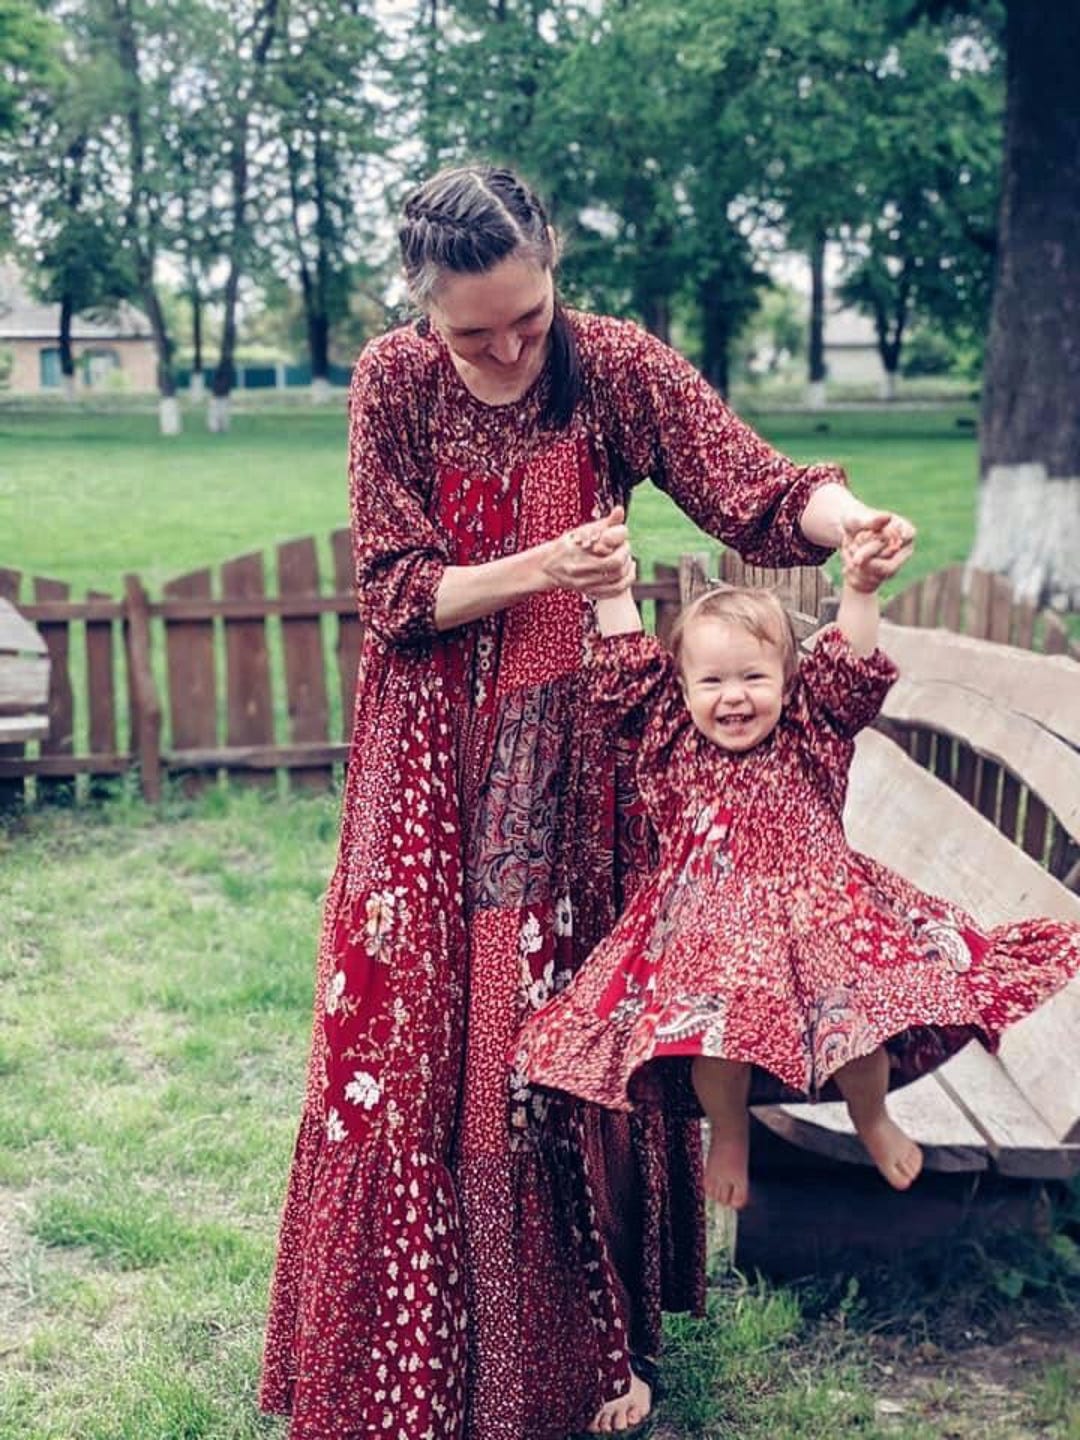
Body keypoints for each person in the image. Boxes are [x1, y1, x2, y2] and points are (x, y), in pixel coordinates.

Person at [258, 162, 916, 1440]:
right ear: (422, 307)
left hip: (570, 761)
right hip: (425, 763)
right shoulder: (393, 382)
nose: (509, 348)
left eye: (530, 315)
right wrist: (540, 566)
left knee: (548, 1038)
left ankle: (572, 1356)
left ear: (556, 268)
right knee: (405, 1039)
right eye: (475, 332)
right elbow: (395, 594)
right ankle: (399, 1367)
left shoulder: (613, 365)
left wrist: (855, 523)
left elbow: (758, 489)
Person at [514, 525, 1080, 1218]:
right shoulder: (668, 738)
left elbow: (850, 668)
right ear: (683, 689)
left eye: (754, 677)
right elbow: (629, 670)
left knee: (861, 1034)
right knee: (716, 1046)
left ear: (787, 681)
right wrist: (611, 592)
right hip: (712, 934)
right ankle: (730, 1132)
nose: (734, 697)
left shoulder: (811, 732)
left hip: (825, 921)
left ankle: (871, 1116)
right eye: (712, 681)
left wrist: (861, 588)